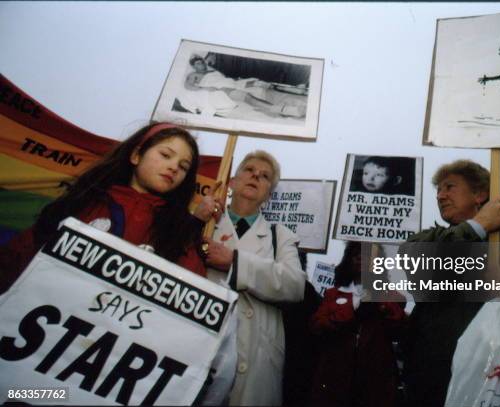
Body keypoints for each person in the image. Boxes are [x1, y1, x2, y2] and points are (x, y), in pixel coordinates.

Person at [0, 122, 216, 293]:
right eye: (166, 155)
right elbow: (20, 258)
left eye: (183, 167)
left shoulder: (179, 234)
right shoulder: (83, 201)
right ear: (136, 155)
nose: (173, 167)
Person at [193, 150, 306, 406]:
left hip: (255, 361)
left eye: (264, 176)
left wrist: (235, 263)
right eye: (249, 170)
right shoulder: (203, 223)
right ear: (232, 181)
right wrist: (194, 221)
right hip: (201, 346)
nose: (255, 176)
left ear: (269, 193)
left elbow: (294, 285)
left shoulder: (281, 236)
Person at [397, 159, 500, 407]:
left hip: (495, 374)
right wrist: (479, 225)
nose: (440, 195)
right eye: (438, 190)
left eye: (449, 187)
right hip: (435, 373)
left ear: (479, 194)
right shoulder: (427, 239)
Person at [309, 241, 408, 407]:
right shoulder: (333, 293)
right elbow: (317, 324)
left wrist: (380, 301)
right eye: (356, 256)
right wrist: (350, 312)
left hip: (375, 380)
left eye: (367, 256)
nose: (360, 259)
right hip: (336, 377)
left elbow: (401, 328)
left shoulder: (390, 294)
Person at [175, 53, 307, 119]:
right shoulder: (193, 75)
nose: (201, 64)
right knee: (247, 97)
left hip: (232, 84)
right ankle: (283, 110)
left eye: (202, 62)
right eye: (198, 63)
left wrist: (250, 82)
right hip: (219, 90)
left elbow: (228, 79)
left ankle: (291, 103)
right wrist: (205, 88)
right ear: (194, 66)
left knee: (257, 84)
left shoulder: (213, 71)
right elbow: (188, 87)